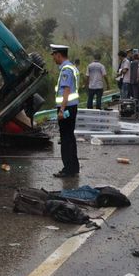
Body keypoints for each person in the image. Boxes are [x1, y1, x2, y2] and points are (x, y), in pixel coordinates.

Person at [51, 44, 79, 178]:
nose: (53, 58)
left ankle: (68, 169)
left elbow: (66, 90)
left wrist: (61, 110)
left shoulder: (66, 70)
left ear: (59, 55)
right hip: (71, 107)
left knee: (66, 139)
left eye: (54, 55)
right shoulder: (71, 67)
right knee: (70, 137)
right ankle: (74, 167)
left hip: (66, 107)